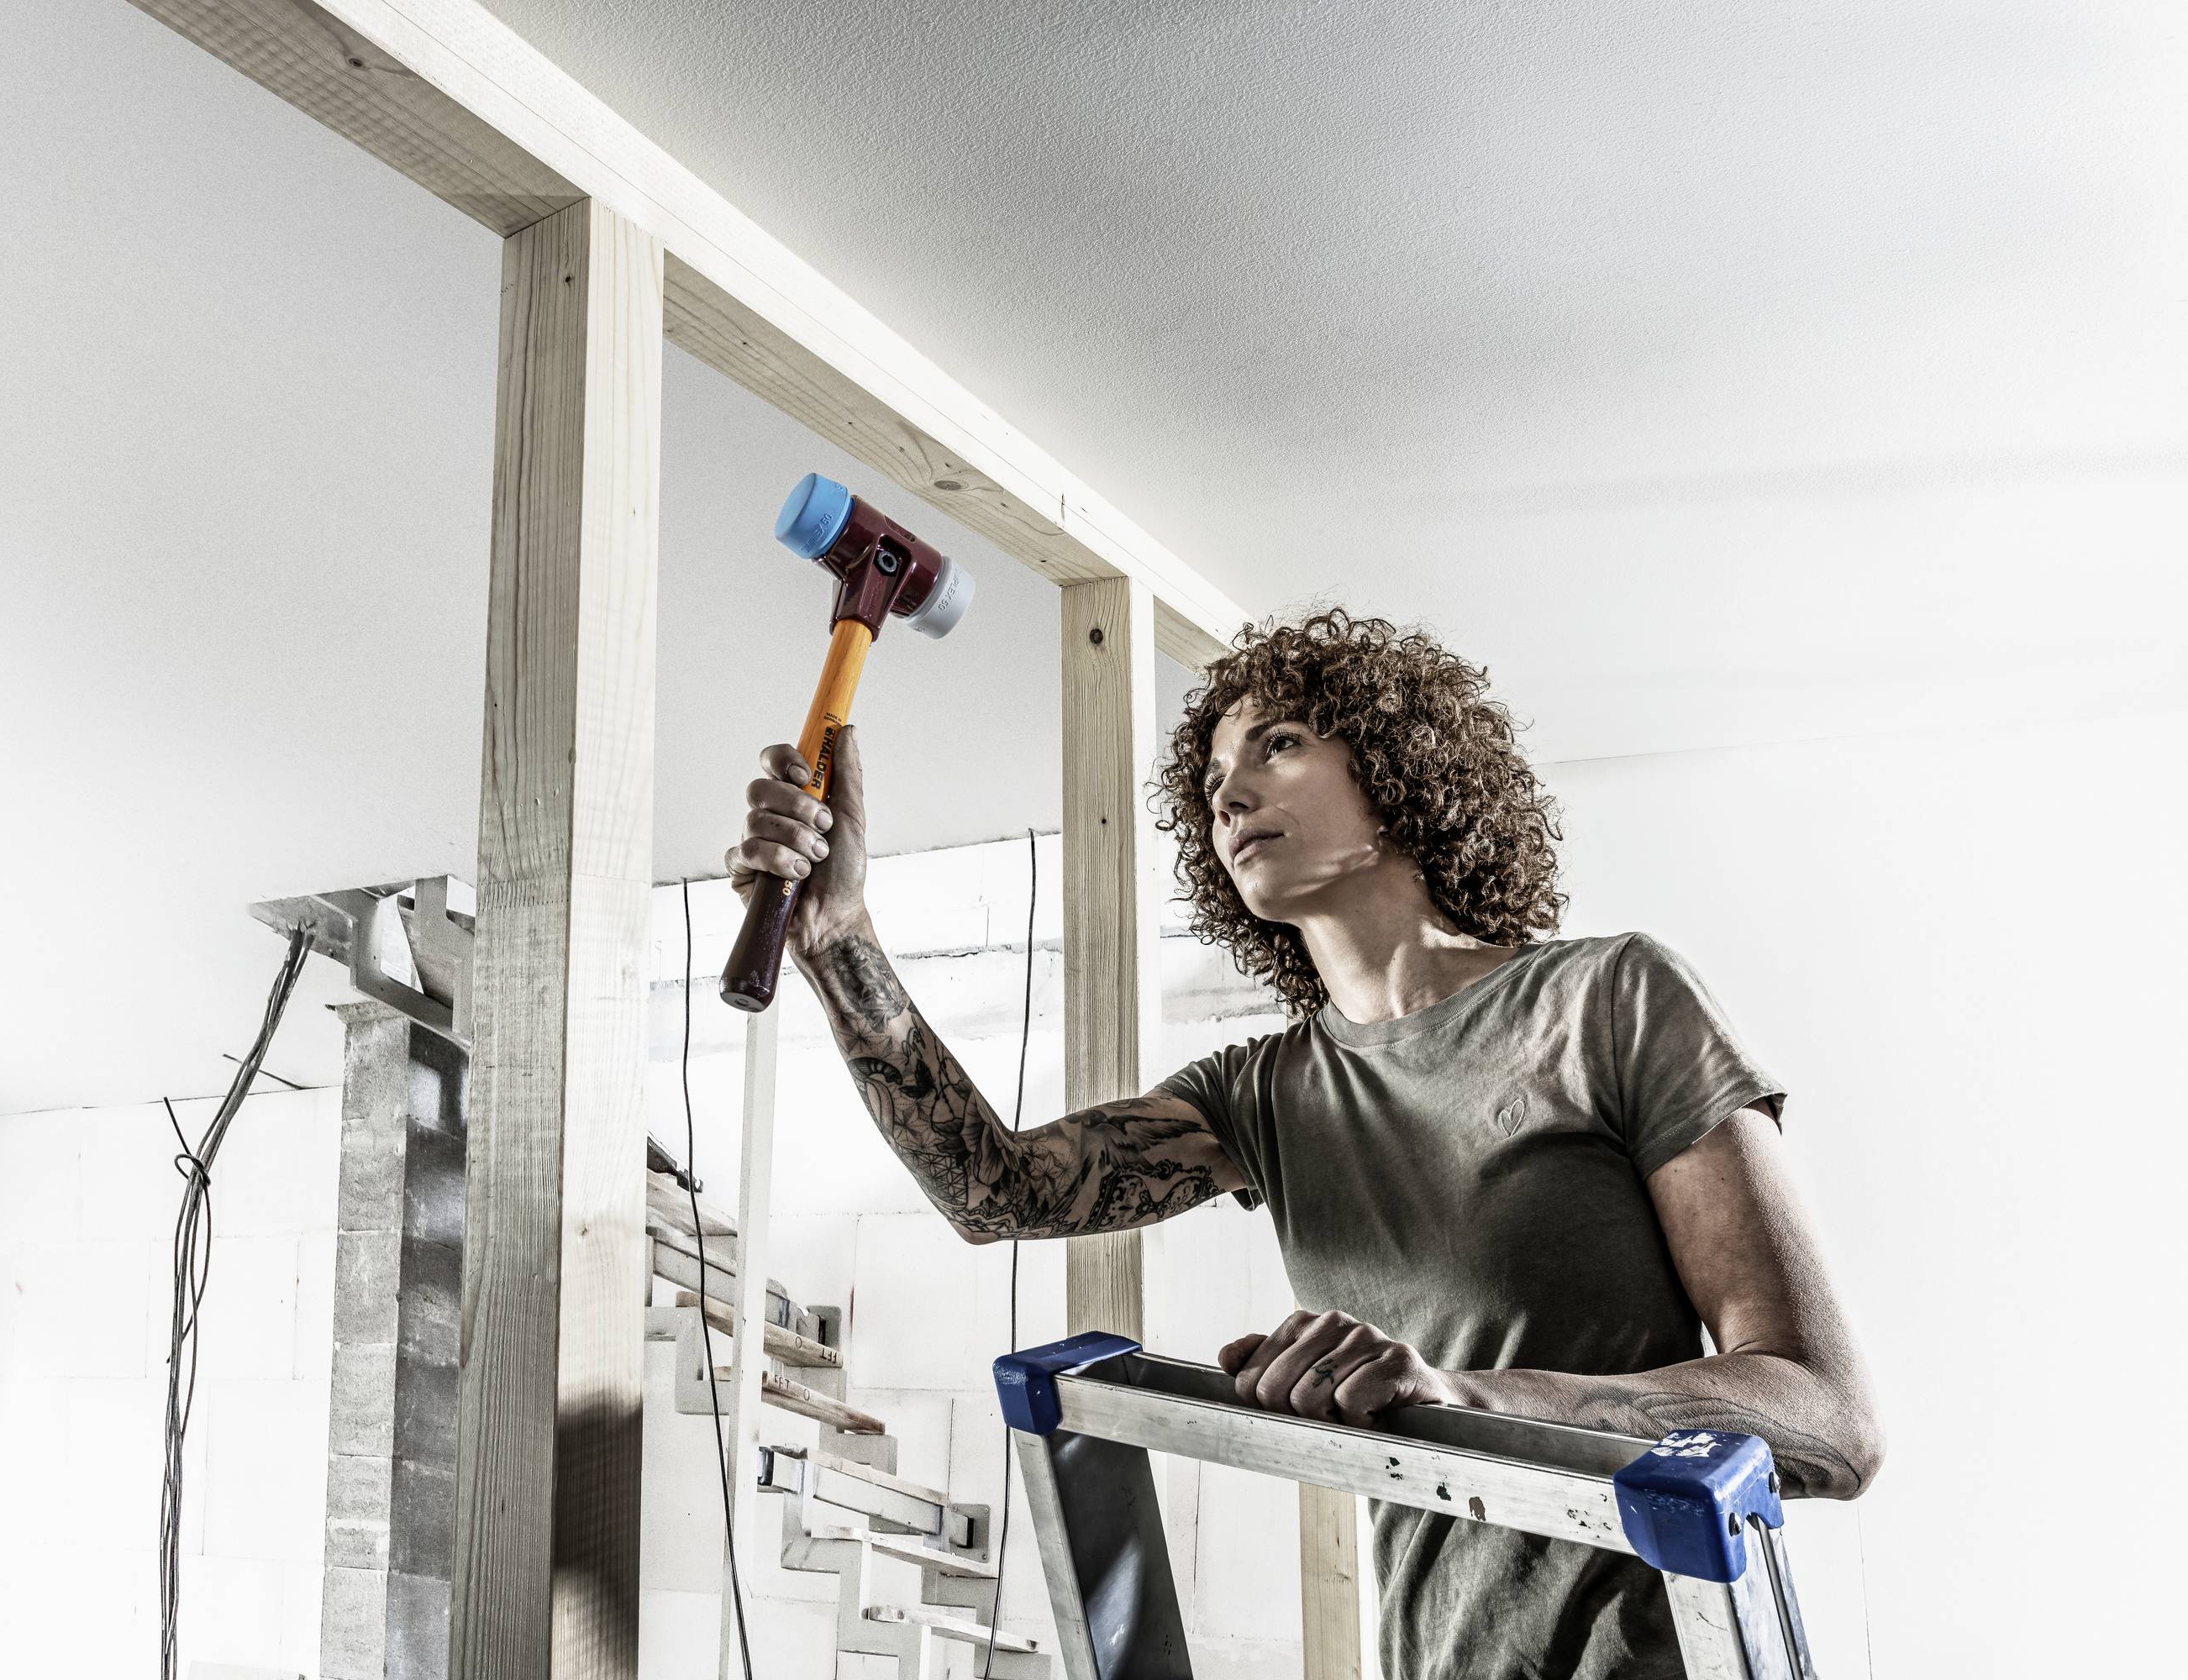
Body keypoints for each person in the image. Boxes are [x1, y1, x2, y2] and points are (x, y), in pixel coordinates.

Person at [725, 609, 1882, 1680]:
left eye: (1277, 744)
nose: (1230, 797)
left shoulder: (1610, 1000)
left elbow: (1827, 1418)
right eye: (1214, 784)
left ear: (1399, 771)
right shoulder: (1266, 1093)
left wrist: (1469, 1400)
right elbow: (997, 1191)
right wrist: (838, 938)